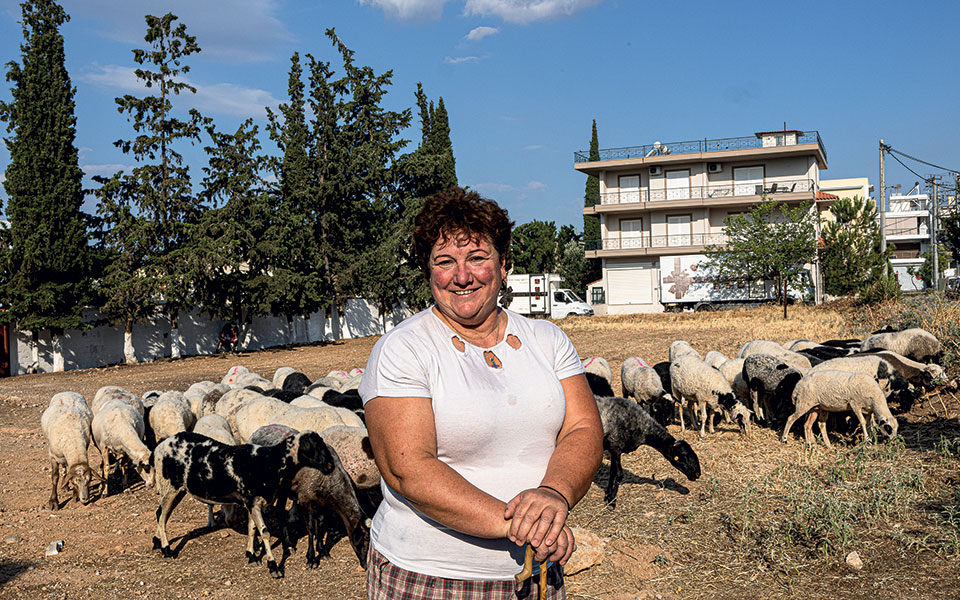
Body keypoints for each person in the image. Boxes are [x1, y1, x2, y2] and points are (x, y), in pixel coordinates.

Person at [359, 187, 604, 599]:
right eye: (445, 262)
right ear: (429, 272)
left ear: (503, 265)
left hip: (536, 571)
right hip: (433, 579)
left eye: (477, 258)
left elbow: (582, 427)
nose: (462, 275)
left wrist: (553, 494)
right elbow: (407, 468)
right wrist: (523, 525)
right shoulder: (404, 348)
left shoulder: (546, 339)